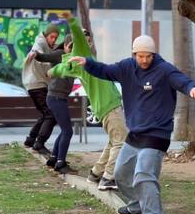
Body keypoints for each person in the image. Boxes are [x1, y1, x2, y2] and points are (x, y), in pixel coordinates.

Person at [69, 35, 195, 214]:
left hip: (157, 134)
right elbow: (105, 70)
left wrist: (192, 88)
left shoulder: (164, 70)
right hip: (135, 133)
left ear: (153, 54)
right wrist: (87, 63)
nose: (144, 60)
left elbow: (180, 80)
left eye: (148, 56)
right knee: (121, 173)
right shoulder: (127, 67)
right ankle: (136, 204)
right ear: (134, 54)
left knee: (143, 174)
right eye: (140, 56)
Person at [48, 12, 128, 190]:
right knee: (121, 141)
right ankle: (108, 178)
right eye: (86, 40)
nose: (89, 42)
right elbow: (77, 34)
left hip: (104, 106)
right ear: (74, 45)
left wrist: (52, 72)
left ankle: (95, 174)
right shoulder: (81, 55)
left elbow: (59, 69)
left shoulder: (71, 63)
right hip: (109, 105)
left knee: (113, 141)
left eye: (90, 39)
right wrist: (71, 21)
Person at [35, 34, 77, 174]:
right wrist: (36, 55)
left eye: (75, 48)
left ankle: (54, 159)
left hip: (60, 97)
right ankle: (60, 163)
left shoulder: (75, 59)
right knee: (68, 131)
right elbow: (44, 57)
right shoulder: (59, 54)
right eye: (70, 47)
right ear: (64, 46)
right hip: (55, 97)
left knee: (65, 130)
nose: (72, 50)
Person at [22, 23, 59, 156]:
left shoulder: (50, 46)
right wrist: (35, 53)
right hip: (37, 85)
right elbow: (37, 51)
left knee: (45, 114)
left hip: (37, 85)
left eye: (55, 37)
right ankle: (39, 144)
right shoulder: (40, 43)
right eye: (51, 37)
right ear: (46, 35)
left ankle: (30, 139)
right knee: (51, 115)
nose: (53, 40)